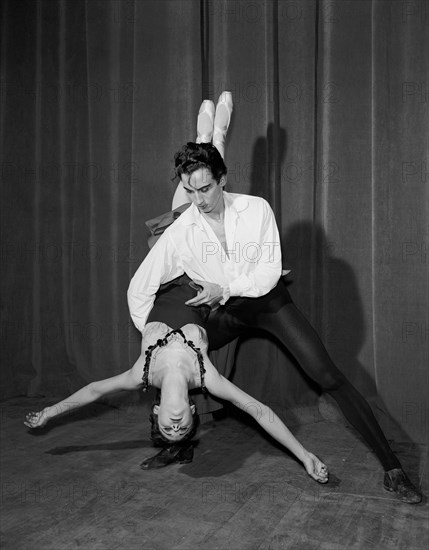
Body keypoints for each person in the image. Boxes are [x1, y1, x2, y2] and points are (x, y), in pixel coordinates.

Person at [127, 140, 422, 504]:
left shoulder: (255, 209)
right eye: (190, 190)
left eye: (204, 188)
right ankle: (179, 445)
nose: (199, 200)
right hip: (225, 313)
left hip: (267, 303)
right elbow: (139, 289)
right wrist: (154, 340)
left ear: (222, 179)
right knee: (174, 357)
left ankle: (393, 468)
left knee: (327, 375)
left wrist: (225, 287)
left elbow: (267, 275)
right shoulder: (181, 229)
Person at [24, 320, 329, 484]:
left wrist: (50, 412)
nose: (174, 427)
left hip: (164, 269)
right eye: (181, 429)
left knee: (180, 211)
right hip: (199, 271)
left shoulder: (138, 374)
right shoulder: (208, 378)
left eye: (167, 430)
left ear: (155, 411)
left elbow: (93, 391)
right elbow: (261, 412)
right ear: (192, 411)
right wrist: (305, 455)